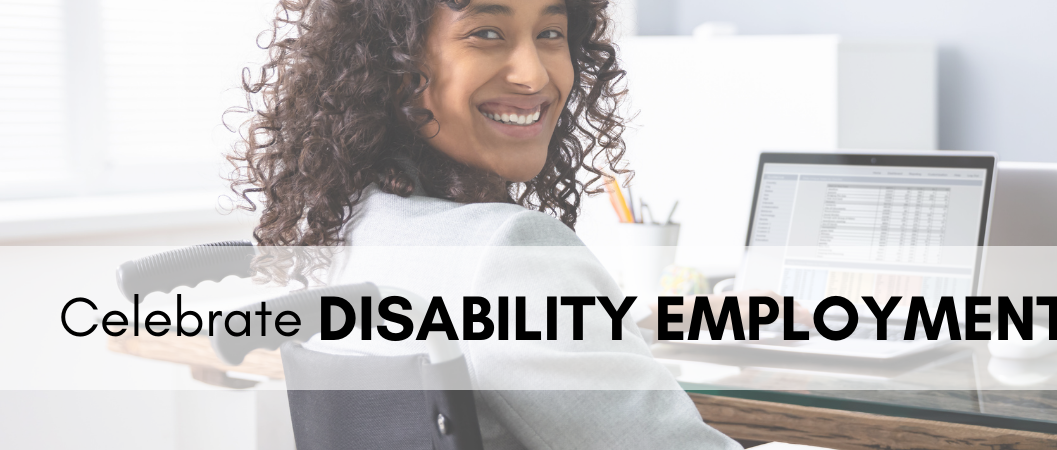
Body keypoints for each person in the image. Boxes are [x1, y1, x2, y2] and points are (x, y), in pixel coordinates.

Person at [228, 0, 741, 448]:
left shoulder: (340, 228)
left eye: (550, 34)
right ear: (395, 62)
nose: (535, 75)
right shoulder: (507, 255)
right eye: (487, 33)